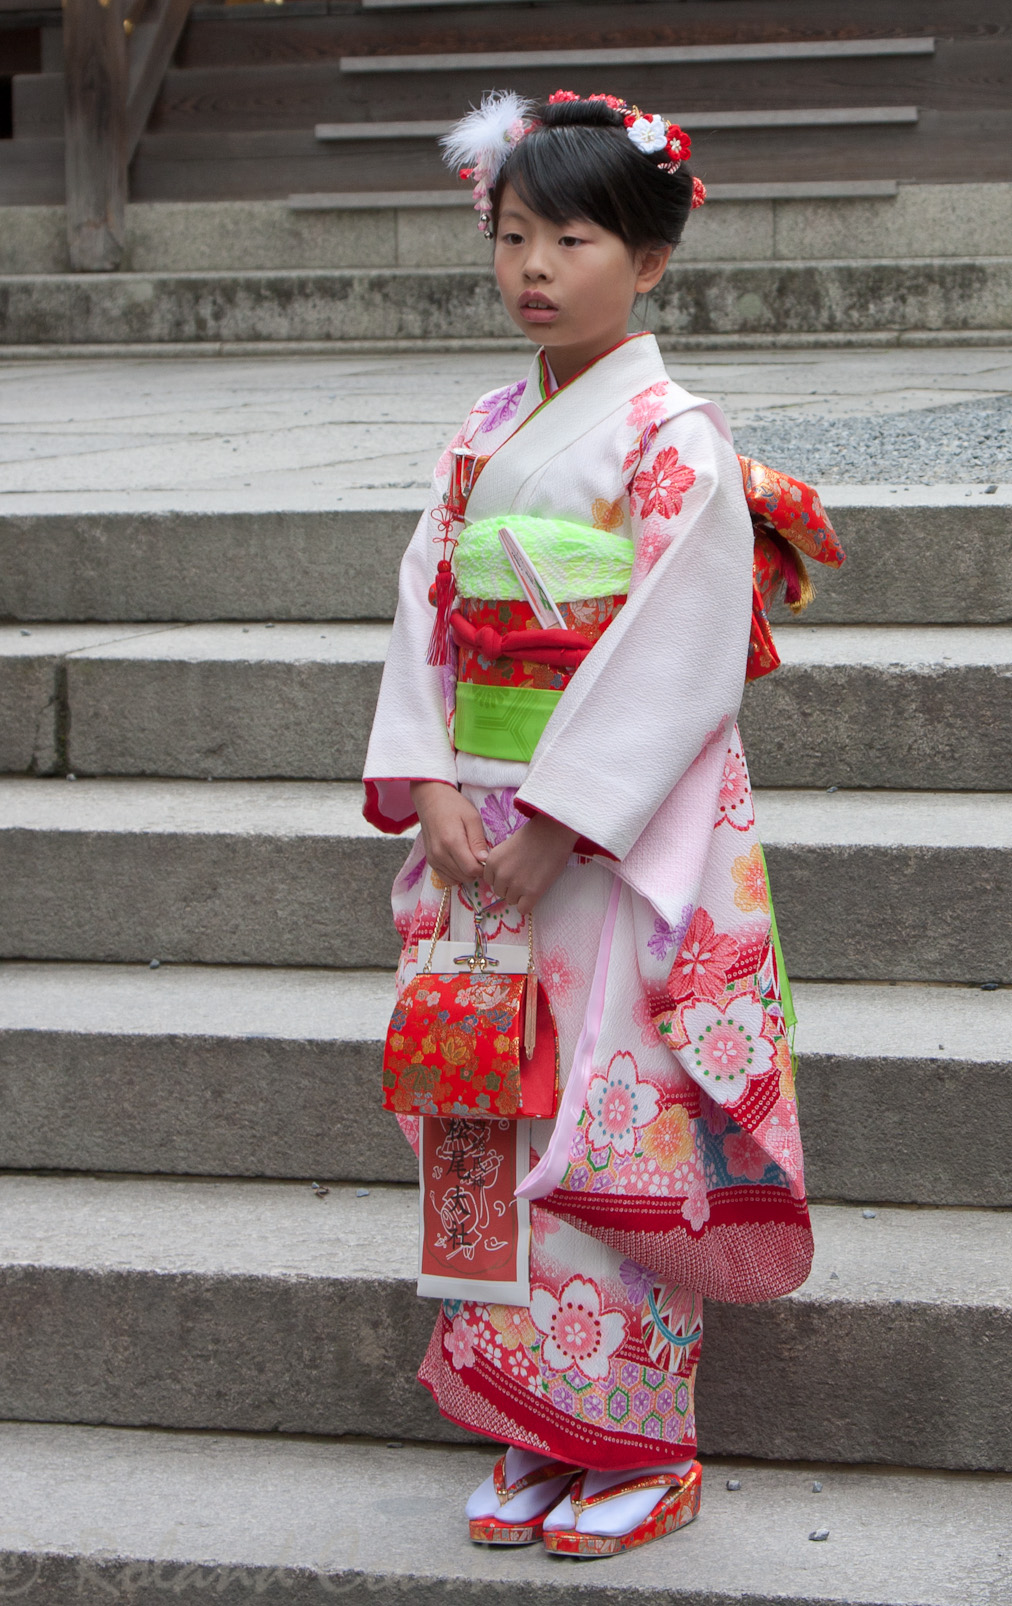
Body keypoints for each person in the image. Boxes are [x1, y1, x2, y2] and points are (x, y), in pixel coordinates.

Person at [363, 90, 843, 1559]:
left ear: (647, 261)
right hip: (479, 837)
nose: (537, 265)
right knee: (488, 1111)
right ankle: (528, 1419)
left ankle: (638, 1438)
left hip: (618, 846)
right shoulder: (483, 433)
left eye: (574, 236)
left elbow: (678, 651)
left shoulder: (670, 437)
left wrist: (557, 822)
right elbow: (425, 615)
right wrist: (436, 780)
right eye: (515, 234)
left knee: (612, 1123)